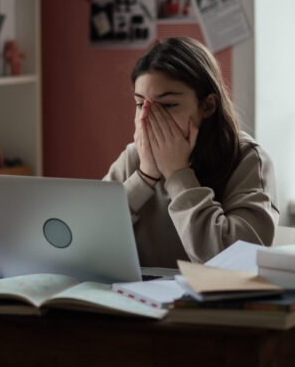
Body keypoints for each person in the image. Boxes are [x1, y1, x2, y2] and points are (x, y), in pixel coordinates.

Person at [104, 37, 279, 267]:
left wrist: (178, 174)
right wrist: (144, 177)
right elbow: (87, 239)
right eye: (140, 105)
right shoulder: (133, 158)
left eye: (167, 106)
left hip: (215, 300)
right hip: (137, 299)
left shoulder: (247, 159)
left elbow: (234, 261)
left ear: (207, 106)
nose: (148, 118)